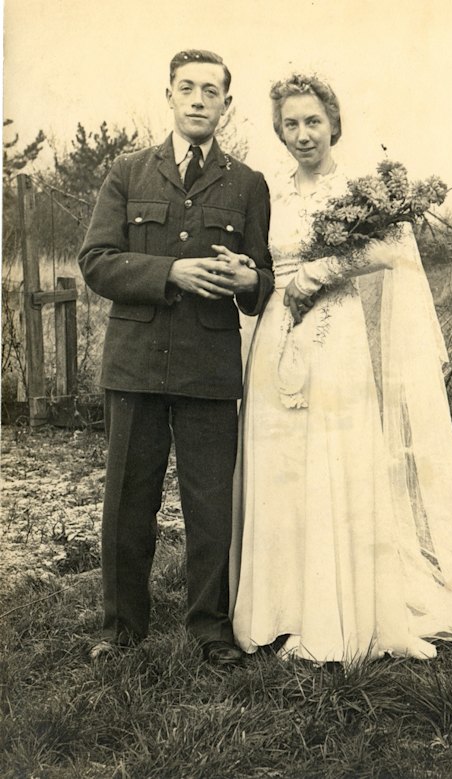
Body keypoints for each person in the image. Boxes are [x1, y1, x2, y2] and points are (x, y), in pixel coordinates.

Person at [230, 73, 452, 663]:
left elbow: (391, 250)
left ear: (333, 122)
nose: (302, 134)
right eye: (290, 123)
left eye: (313, 120)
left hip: (332, 332)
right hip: (274, 335)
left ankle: (339, 613)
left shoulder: (360, 190)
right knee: (280, 463)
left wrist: (323, 272)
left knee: (332, 462)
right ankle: (281, 610)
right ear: (278, 131)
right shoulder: (271, 193)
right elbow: (263, 262)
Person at [79, 50, 273, 667]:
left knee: (211, 504)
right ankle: (119, 629)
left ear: (226, 105)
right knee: (128, 499)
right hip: (135, 364)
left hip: (209, 369)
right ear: (168, 95)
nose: (197, 100)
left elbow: (263, 280)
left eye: (210, 91)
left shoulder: (248, 184)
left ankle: (210, 630)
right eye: (186, 88)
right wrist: (173, 272)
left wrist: (248, 281)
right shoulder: (128, 172)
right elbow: (96, 262)